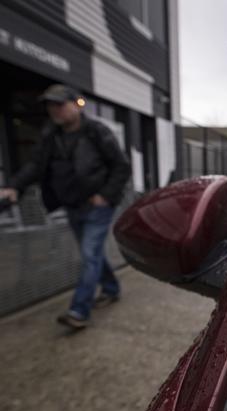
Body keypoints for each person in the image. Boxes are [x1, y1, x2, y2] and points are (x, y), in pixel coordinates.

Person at [0, 84, 130, 329]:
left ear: (75, 104)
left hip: (97, 206)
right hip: (72, 205)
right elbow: (35, 166)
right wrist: (14, 186)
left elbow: (121, 166)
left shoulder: (96, 132)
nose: (54, 110)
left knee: (90, 255)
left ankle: (79, 311)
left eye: (59, 104)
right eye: (50, 105)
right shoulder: (51, 136)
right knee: (92, 254)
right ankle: (111, 288)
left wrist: (105, 195)